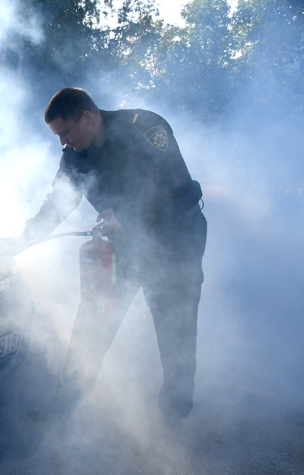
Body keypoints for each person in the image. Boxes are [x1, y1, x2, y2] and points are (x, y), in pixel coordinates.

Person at [19, 88, 207, 423]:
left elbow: (176, 189)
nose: (62, 142)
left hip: (177, 238)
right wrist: (28, 236)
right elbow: (59, 200)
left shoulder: (143, 127)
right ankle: (68, 399)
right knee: (94, 316)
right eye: (58, 135)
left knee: (174, 321)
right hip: (126, 245)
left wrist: (128, 218)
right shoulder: (75, 156)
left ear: (87, 117)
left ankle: (175, 408)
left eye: (65, 132)